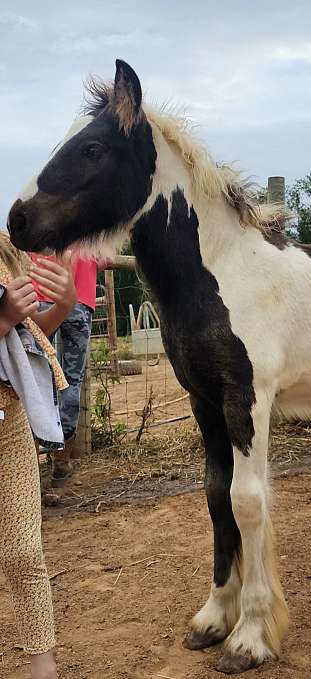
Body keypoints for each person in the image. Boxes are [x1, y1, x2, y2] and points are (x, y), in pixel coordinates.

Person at [0, 233, 76, 679]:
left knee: (23, 550)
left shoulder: (6, 251)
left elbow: (23, 341)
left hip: (9, 417)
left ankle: (42, 662)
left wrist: (62, 306)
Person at [30, 253, 103, 486]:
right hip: (79, 300)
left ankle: (30, 458)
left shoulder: (39, 220)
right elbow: (105, 258)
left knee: (36, 379)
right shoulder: (88, 226)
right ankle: (61, 462)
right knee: (72, 379)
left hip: (39, 298)